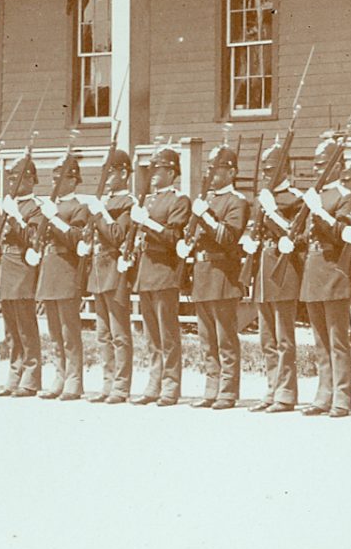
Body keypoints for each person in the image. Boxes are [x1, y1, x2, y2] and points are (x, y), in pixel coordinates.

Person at [297, 135, 351, 417]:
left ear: (338, 166)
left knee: (337, 338)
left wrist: (318, 210)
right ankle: (324, 393)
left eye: (323, 164)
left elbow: (342, 233)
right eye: (315, 165)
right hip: (314, 268)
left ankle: (342, 396)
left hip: (334, 269)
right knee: (319, 339)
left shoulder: (345, 197)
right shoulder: (315, 196)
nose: (316, 170)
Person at [188, 145, 250, 409]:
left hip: (222, 275)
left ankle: (227, 391)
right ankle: (211, 388)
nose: (211, 172)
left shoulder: (237, 201)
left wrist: (206, 217)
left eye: (218, 168)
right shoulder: (208, 200)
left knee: (225, 339)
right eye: (210, 167)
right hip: (202, 274)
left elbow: (228, 238)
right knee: (207, 339)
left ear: (232, 172)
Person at [130, 145, 190, 405]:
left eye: (160, 168)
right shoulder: (149, 200)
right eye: (153, 168)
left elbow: (172, 237)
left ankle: (170, 386)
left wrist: (147, 222)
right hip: (146, 271)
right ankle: (154, 382)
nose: (153, 173)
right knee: (151, 334)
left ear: (172, 172)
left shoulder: (179, 201)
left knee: (168, 333)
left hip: (165, 271)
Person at [248, 141, 305, 413]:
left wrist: (272, 212)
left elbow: (296, 234)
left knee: (284, 338)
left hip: (284, 271)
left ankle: (286, 393)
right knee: (267, 338)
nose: (265, 176)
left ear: (284, 169)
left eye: (270, 171)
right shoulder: (263, 198)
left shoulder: (294, 199)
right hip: (262, 270)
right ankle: (271, 389)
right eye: (264, 171)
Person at [34, 151, 91, 401]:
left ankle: (74, 380)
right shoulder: (50, 207)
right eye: (53, 178)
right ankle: (59, 375)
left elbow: (74, 238)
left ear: (72, 180)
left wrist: (53, 218)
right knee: (54, 331)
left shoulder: (79, 207)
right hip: (49, 269)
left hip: (67, 270)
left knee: (69, 331)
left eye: (59, 178)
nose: (54, 183)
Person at [0, 153, 44, 396]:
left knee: (25, 326)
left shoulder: (35, 208)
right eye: (11, 177)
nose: (12, 182)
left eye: (18, 177)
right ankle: (14, 373)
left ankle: (31, 376)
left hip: (22, 267)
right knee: (10, 328)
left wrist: (14, 216)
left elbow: (32, 240)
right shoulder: (10, 205)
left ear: (31, 180)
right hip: (7, 266)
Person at [88, 150, 138, 403]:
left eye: (110, 171)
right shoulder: (104, 201)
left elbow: (118, 235)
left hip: (114, 270)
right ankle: (107, 384)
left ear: (123, 174)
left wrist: (101, 215)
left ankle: (121, 386)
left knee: (119, 333)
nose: (105, 177)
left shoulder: (128, 202)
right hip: (98, 269)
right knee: (102, 333)